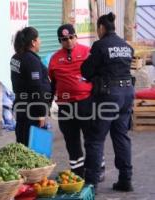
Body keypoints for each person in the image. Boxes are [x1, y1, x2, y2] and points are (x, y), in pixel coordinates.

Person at [81, 12, 134, 191]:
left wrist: (96, 76)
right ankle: (125, 179)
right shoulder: (126, 46)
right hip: (127, 94)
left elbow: (86, 70)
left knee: (95, 139)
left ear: (101, 28)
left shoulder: (100, 45)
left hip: (108, 96)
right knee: (121, 136)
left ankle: (91, 183)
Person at [48, 24, 105, 179]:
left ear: (76, 36)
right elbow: (52, 84)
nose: (68, 41)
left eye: (71, 37)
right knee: (71, 140)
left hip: (86, 103)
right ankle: (78, 172)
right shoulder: (54, 59)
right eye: (64, 39)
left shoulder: (88, 52)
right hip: (65, 107)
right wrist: (47, 103)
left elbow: (99, 76)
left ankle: (98, 168)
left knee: (91, 139)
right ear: (60, 41)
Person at [10, 27, 52, 146]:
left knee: (22, 143)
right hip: (32, 110)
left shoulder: (16, 57)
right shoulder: (31, 60)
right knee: (36, 149)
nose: (40, 41)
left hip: (21, 106)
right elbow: (36, 88)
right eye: (39, 38)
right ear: (33, 42)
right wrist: (41, 113)